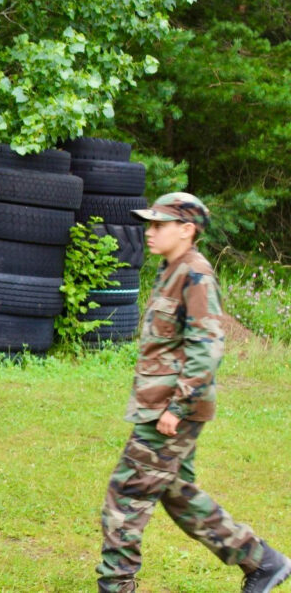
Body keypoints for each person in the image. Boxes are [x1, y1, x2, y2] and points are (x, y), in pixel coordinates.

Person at [96, 192, 291, 593]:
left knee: (126, 496)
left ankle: (115, 585)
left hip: (170, 412)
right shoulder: (171, 269)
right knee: (178, 494)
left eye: (159, 225)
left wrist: (177, 407)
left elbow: (207, 347)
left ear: (186, 230)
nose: (149, 232)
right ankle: (262, 562)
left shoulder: (196, 274)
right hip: (160, 405)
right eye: (149, 225)